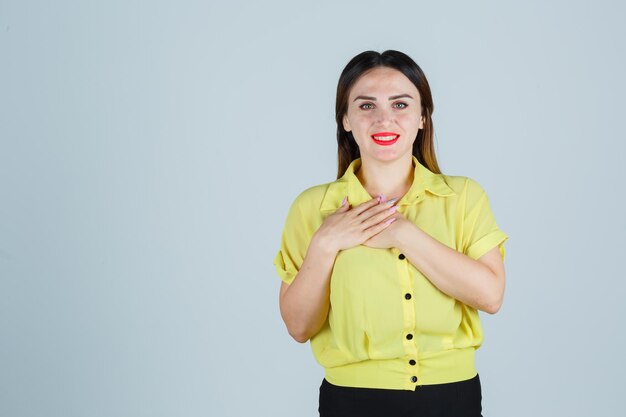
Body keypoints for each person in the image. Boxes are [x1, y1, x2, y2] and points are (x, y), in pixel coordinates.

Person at [273, 49, 509, 417]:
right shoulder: (312, 208)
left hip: (453, 398)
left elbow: (491, 296)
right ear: (346, 120)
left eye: (400, 104)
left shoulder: (464, 197)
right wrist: (325, 243)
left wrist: (403, 233)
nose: (384, 119)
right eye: (366, 106)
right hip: (351, 401)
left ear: (422, 118)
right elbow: (299, 327)